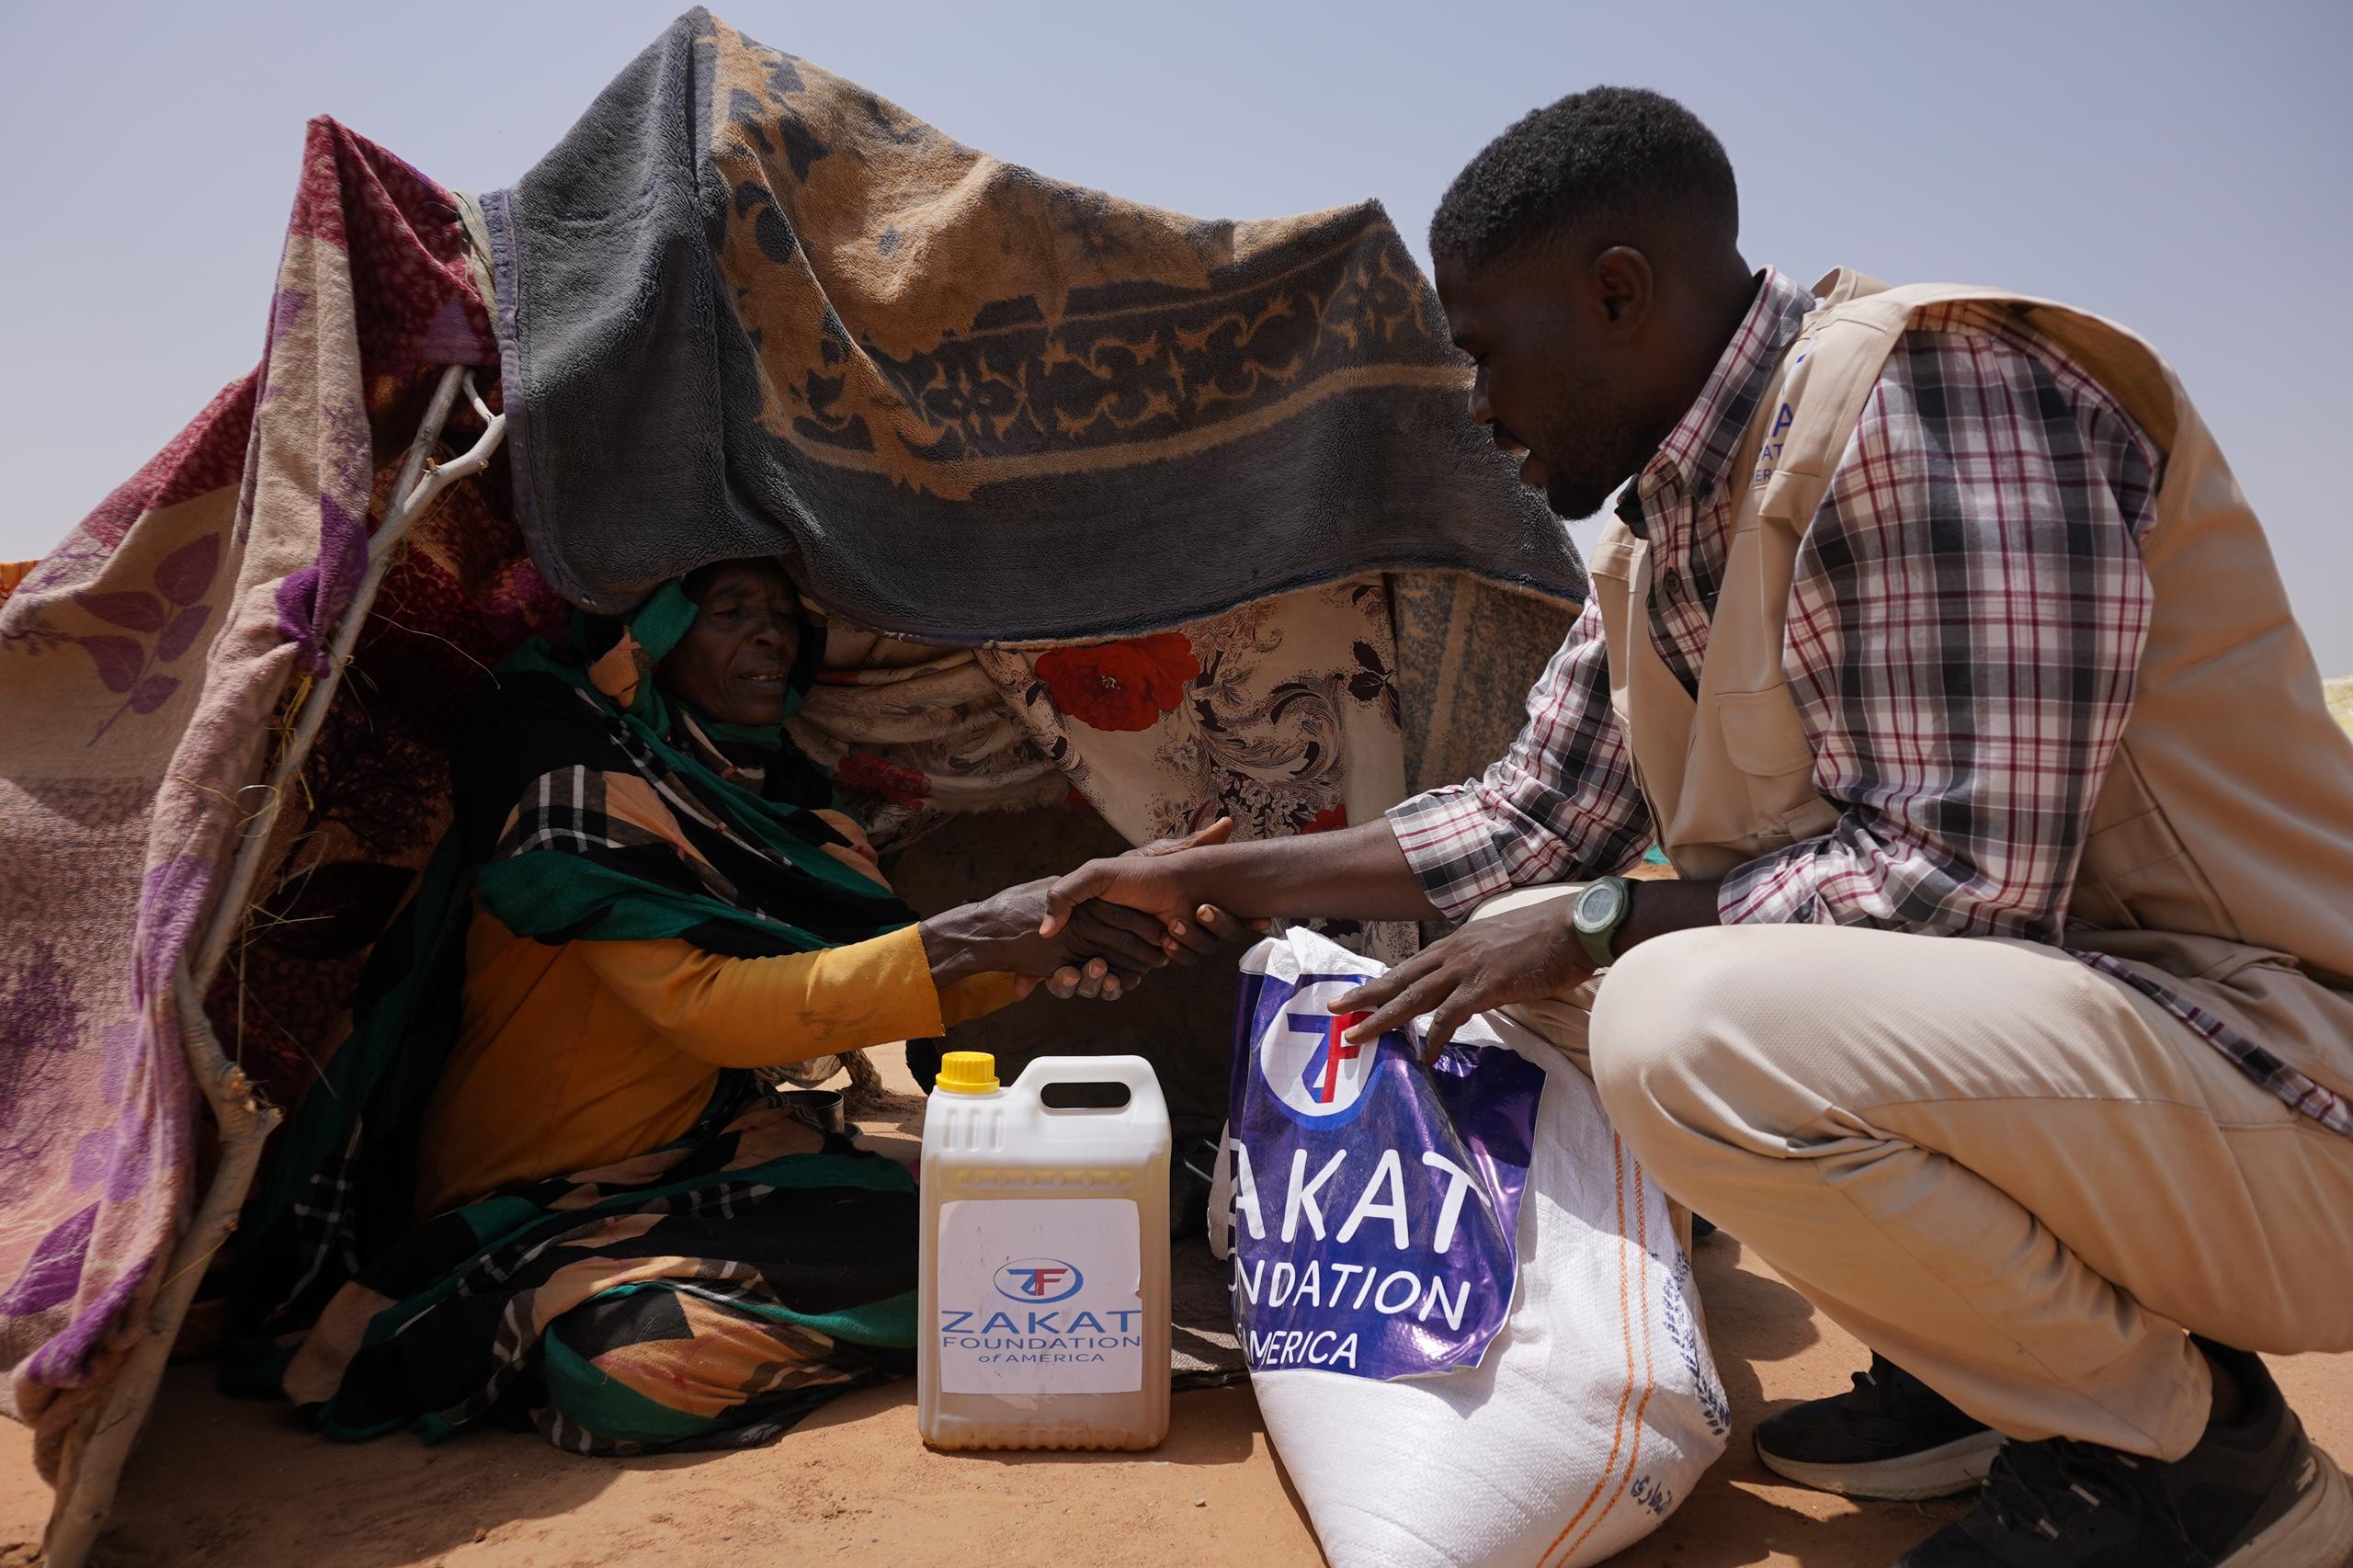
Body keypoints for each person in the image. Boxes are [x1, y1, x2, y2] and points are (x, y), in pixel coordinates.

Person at [1041, 88, 2353, 1567]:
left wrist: (1603, 921)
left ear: (1618, 293)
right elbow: (1526, 819)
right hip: (2133, 1094)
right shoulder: (1665, 535)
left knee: (1676, 1018)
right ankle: (1991, 1375)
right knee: (1550, 963)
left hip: (2291, 1092)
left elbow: (1959, 882)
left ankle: (2202, 1464)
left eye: (1485, 351)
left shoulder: (1918, 395)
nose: (1475, 405)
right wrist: (1200, 875)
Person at [234, 557, 1231, 1454]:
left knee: (983, 1220)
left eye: (785, 615)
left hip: (702, 1169)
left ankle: (1127, 1226)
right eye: (730, 610)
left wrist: (1057, 939)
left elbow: (853, 978)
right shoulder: (562, 772)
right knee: (621, 1366)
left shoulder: (781, 803)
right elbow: (711, 1010)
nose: (771, 635)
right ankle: (1004, 1299)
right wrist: (983, 935)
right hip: (525, 1203)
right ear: (652, 633)